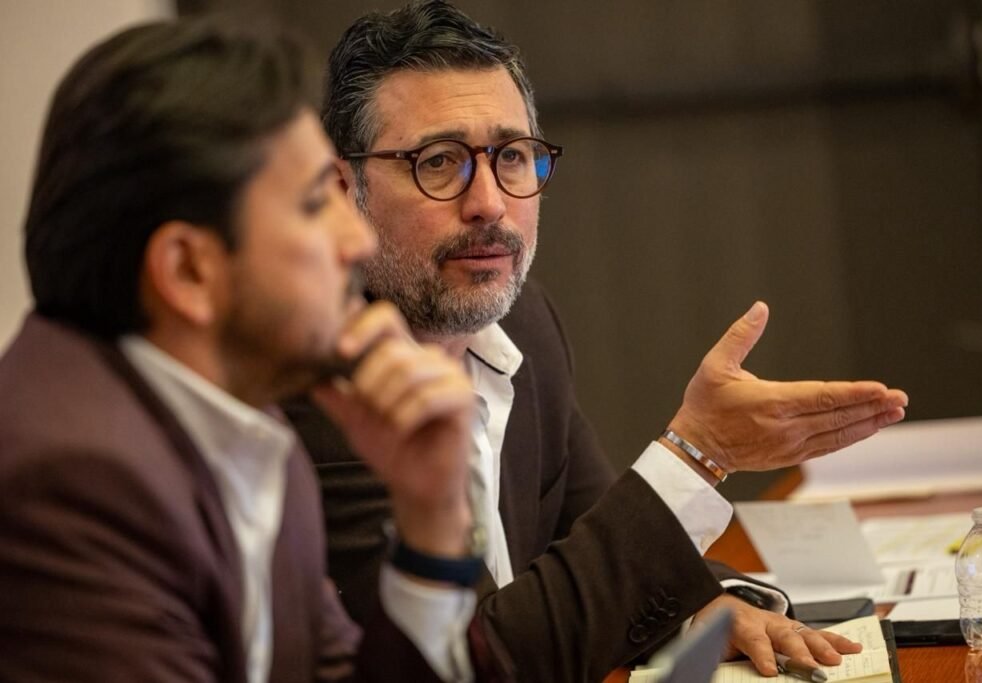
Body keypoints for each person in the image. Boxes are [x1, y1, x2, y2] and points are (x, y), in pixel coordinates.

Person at [285, 2, 909, 680]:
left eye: (512, 157)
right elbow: (482, 659)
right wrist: (699, 452)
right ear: (344, 190)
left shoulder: (523, 323)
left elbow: (589, 539)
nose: (489, 202)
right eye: (439, 162)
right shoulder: (313, 387)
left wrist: (705, 606)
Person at [0, 16, 512, 683]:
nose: (357, 241)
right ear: (189, 271)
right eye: (314, 203)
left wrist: (432, 522)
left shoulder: (251, 430)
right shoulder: (71, 481)